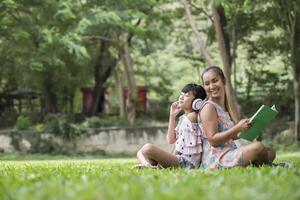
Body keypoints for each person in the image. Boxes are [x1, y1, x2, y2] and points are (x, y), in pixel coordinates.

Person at [198, 66, 276, 169]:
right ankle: (260, 164)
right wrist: (237, 128)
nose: (211, 86)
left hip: (230, 151)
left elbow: (234, 136)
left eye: (215, 81)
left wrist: (251, 126)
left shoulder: (224, 108)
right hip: (216, 158)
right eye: (207, 84)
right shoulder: (208, 107)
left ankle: (255, 163)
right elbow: (213, 139)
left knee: (270, 152)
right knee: (258, 148)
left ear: (224, 81)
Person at [136, 83, 207, 169]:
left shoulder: (192, 116)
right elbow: (171, 139)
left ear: (197, 102)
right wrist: (172, 115)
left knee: (147, 148)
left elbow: (180, 146)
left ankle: (150, 166)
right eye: (181, 94)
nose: (181, 97)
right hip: (180, 160)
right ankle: (148, 166)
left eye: (186, 95)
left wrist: (168, 161)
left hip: (187, 163)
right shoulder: (184, 118)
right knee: (140, 152)